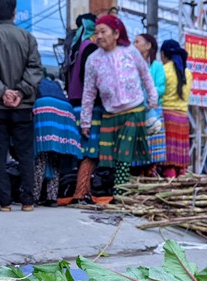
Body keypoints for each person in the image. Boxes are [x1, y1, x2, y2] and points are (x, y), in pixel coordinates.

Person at [0, 0, 43, 212]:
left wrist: (2, 91)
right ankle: (28, 201)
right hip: (22, 106)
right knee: (24, 153)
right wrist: (20, 92)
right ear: (14, 12)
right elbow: (35, 69)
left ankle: (4, 202)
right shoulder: (28, 38)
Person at [80, 15, 157, 193]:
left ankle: (121, 192)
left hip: (133, 111)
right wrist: (85, 121)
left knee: (124, 155)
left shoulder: (130, 52)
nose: (98, 36)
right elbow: (89, 92)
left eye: (103, 32)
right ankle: (126, 190)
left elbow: (145, 75)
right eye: (96, 32)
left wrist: (152, 98)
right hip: (110, 115)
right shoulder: (93, 60)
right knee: (110, 158)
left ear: (116, 33)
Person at [65, 13, 100, 204]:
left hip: (75, 105)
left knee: (82, 152)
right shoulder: (90, 47)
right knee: (91, 152)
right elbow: (90, 82)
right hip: (88, 106)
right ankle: (81, 192)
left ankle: (81, 191)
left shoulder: (75, 45)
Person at [32, 75, 82, 206]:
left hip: (44, 107)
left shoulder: (32, 80)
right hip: (65, 110)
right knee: (55, 157)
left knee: (40, 156)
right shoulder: (55, 84)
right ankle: (52, 197)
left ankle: (34, 196)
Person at [133, 33, 167, 176]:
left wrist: (148, 97)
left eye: (137, 42)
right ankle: (137, 175)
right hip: (135, 111)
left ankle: (150, 175)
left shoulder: (156, 66)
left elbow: (161, 87)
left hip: (152, 111)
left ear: (148, 46)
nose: (134, 45)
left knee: (152, 149)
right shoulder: (131, 65)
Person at [160, 39, 192, 178]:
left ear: (163, 54)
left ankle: (169, 185)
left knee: (169, 161)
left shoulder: (163, 70)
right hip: (183, 119)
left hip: (167, 117)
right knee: (179, 161)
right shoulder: (188, 73)